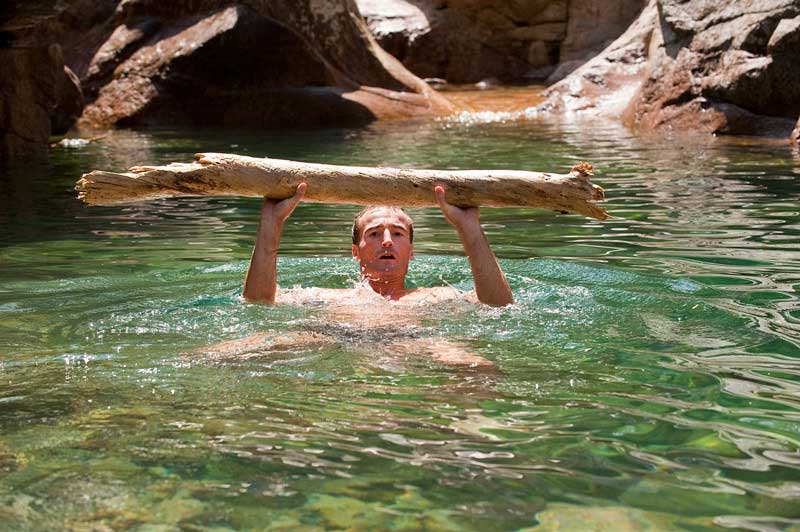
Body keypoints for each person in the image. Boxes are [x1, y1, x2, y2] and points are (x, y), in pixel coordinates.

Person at [242, 182, 513, 307]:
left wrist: (470, 229)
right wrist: (271, 222)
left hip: (416, 344)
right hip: (335, 341)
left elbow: (499, 305)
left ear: (411, 251)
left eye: (397, 233)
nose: (386, 241)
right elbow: (258, 303)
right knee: (232, 352)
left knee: (478, 370)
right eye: (373, 234)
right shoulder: (326, 299)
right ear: (354, 252)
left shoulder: (436, 298)